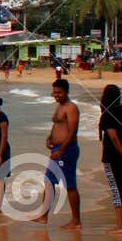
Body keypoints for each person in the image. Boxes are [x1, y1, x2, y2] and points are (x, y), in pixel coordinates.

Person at [36, 78, 81, 230]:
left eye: (59, 93)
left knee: (70, 184)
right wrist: (50, 137)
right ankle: (43, 216)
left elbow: (73, 131)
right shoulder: (59, 106)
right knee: (49, 181)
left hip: (66, 150)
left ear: (67, 92)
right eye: (54, 92)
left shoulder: (71, 108)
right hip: (57, 149)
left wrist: (62, 150)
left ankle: (76, 221)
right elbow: (57, 125)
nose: (56, 95)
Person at [98, 84, 122, 236]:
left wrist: (121, 153)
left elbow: (113, 136)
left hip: (111, 157)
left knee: (116, 190)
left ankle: (121, 226)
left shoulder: (107, 114)